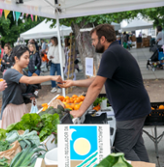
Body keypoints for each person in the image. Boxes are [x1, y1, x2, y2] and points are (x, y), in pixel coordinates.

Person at [59, 24, 151, 162]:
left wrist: (81, 111)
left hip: (131, 111)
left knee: (122, 149)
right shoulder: (115, 51)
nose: (93, 43)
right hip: (136, 107)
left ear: (103, 39)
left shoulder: (110, 53)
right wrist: (73, 83)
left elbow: (96, 86)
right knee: (137, 146)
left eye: (94, 40)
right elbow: (97, 79)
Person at [0, 45, 63, 129]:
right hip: (11, 111)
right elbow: (29, 80)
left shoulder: (24, 73)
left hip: (22, 109)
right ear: (16, 58)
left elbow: (25, 87)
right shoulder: (10, 73)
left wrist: (30, 94)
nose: (28, 60)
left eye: (29, 57)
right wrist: (51, 77)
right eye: (25, 58)